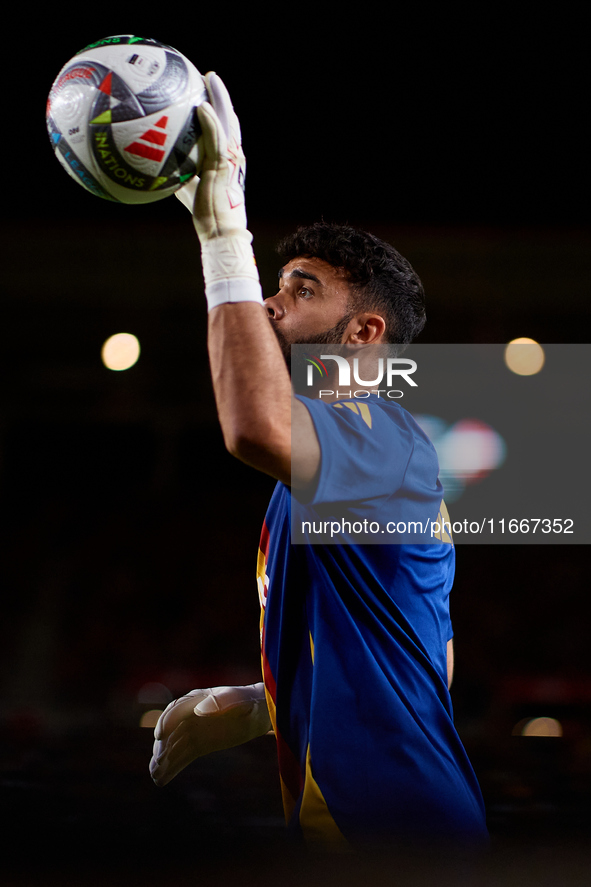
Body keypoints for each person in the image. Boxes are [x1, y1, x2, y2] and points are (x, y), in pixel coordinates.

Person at [149, 73, 488, 852]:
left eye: (300, 291)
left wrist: (222, 234)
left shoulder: (378, 431)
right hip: (394, 828)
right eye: (273, 284)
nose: (270, 304)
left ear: (362, 335)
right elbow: (425, 653)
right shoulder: (353, 459)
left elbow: (254, 427)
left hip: (394, 831)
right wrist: (263, 702)